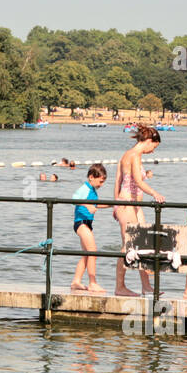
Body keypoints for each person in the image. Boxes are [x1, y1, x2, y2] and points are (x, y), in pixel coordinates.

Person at [112, 125, 164, 296]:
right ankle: (120, 287)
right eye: (154, 147)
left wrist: (114, 203)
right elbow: (138, 181)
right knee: (127, 246)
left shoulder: (127, 155)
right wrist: (155, 193)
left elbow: (117, 181)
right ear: (149, 141)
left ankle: (146, 286)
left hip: (134, 205)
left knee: (143, 244)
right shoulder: (134, 155)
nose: (153, 151)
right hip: (127, 203)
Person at [70, 163, 108, 293]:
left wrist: (114, 205)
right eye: (100, 181)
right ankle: (92, 283)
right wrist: (87, 205)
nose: (101, 185)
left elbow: (96, 205)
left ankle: (76, 281)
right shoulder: (85, 188)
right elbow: (74, 199)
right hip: (81, 223)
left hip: (87, 224)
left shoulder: (93, 191)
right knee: (93, 251)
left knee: (86, 255)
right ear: (91, 177)